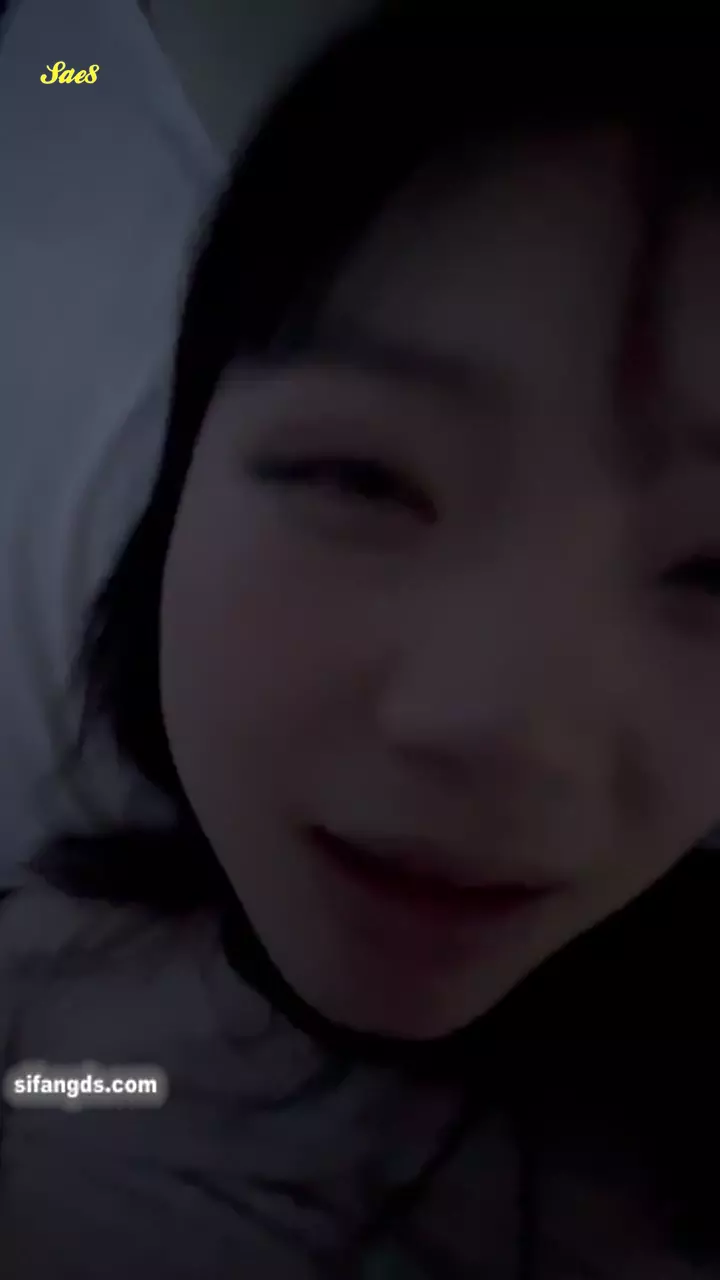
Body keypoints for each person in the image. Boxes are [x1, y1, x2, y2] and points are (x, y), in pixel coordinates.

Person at [1, 9, 720, 1276]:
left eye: (716, 570)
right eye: (365, 479)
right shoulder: (53, 974)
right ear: (179, 494)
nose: (496, 728)